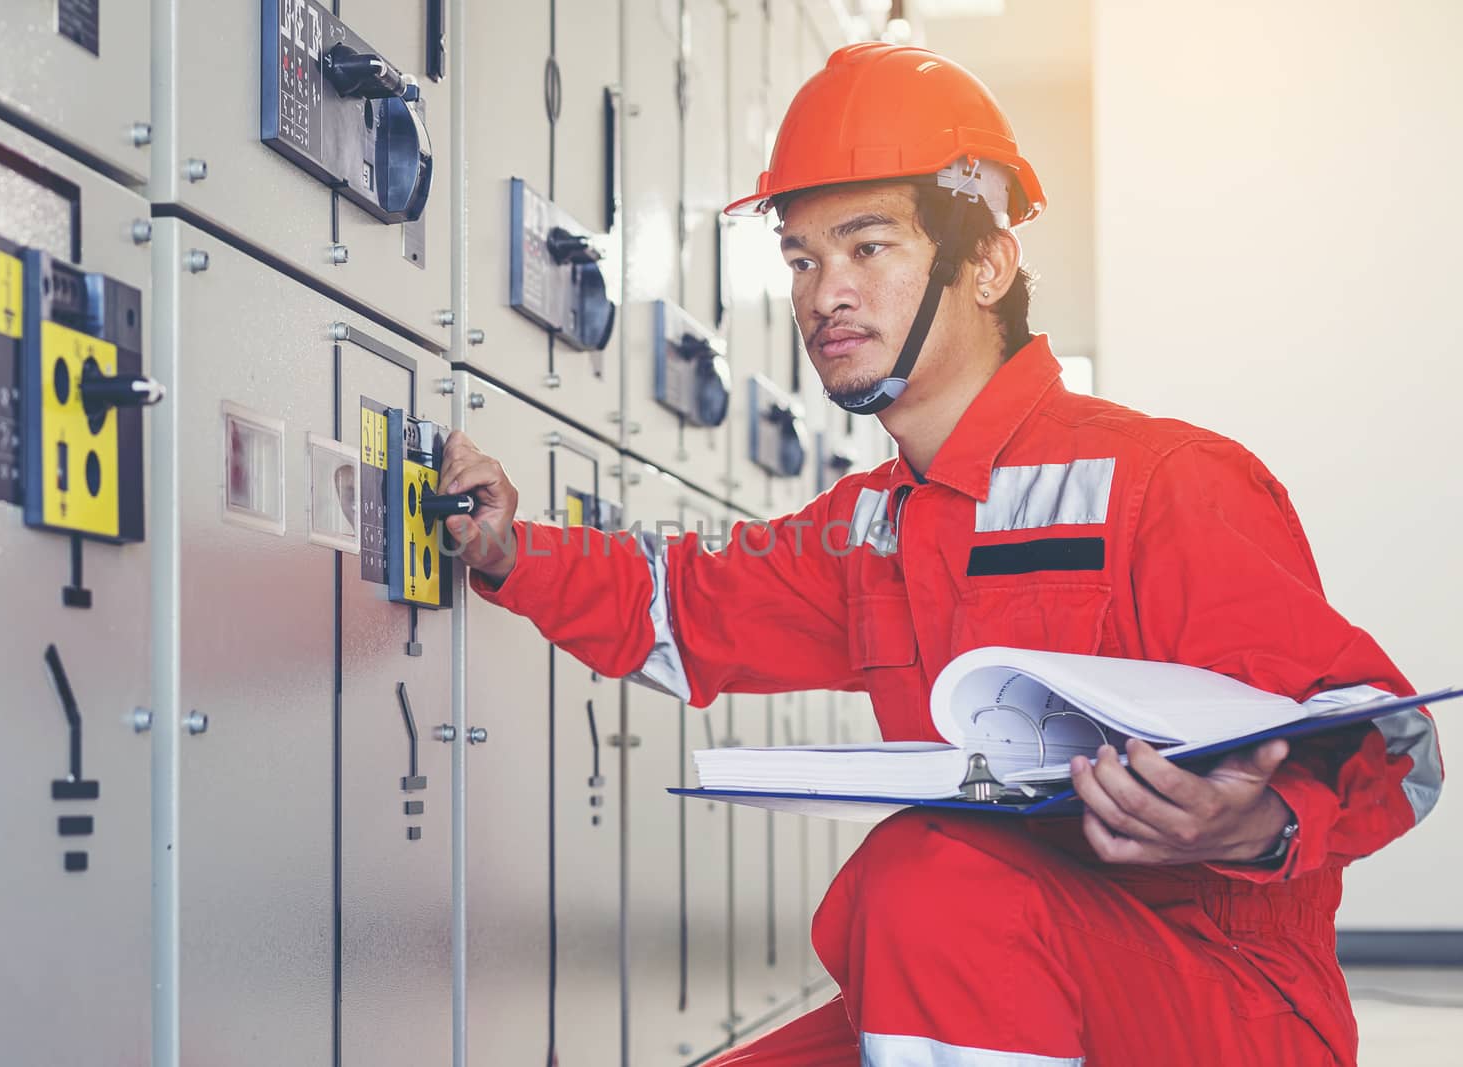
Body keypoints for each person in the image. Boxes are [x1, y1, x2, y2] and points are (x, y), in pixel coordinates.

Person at [439, 43, 1441, 1066]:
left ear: (987, 266)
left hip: (1220, 1004)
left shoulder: (1168, 478)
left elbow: (1380, 746)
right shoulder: (873, 523)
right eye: (800, 258)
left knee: (923, 873)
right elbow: (684, 606)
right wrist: (511, 549)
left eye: (869, 246)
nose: (826, 291)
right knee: (919, 898)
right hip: (995, 975)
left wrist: (1257, 822)